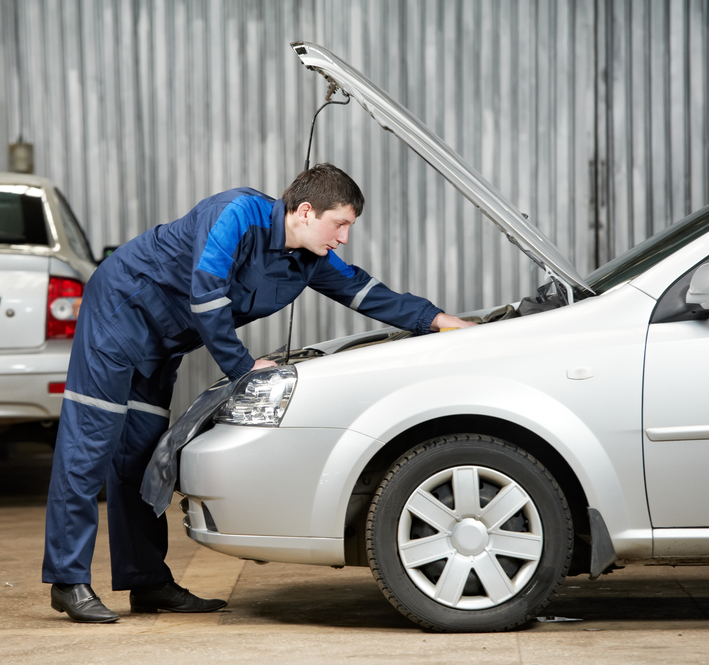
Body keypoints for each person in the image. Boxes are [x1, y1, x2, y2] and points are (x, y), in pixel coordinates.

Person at [43, 163, 476, 623]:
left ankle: (147, 581)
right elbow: (206, 295)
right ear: (306, 211)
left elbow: (365, 291)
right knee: (89, 446)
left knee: (140, 458)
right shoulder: (234, 213)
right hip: (119, 315)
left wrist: (439, 320)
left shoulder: (308, 257)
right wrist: (243, 367)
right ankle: (68, 582)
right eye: (341, 224)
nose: (344, 237)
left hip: (164, 344)